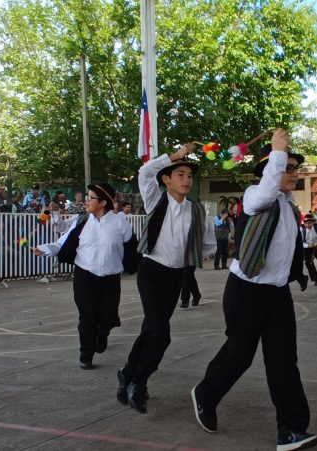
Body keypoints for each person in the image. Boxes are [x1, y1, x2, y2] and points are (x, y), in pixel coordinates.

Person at [191, 129, 317, 451]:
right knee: (240, 355)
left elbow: (287, 248)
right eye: (287, 167)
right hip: (246, 290)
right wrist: (277, 150)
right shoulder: (253, 195)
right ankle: (205, 394)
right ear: (269, 169)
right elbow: (265, 192)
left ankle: (291, 430)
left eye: (294, 168)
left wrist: (298, 274)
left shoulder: (289, 208)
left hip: (277, 294)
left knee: (283, 361)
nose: (293, 173)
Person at [119, 142, 210, 415]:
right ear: (167, 180)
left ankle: (127, 372)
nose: (186, 180)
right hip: (151, 271)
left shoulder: (196, 209)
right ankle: (139, 382)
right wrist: (177, 155)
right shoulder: (155, 199)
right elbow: (145, 172)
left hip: (175, 275)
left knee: (151, 329)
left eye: (190, 176)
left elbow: (204, 244)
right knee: (161, 332)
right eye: (180, 175)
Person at [33, 183, 134, 369]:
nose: (87, 201)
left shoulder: (120, 223)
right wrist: (43, 249)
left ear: (103, 202)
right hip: (84, 275)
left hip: (111, 277)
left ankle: (102, 333)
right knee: (86, 316)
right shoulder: (81, 222)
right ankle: (86, 354)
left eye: (91, 198)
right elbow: (61, 244)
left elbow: (132, 249)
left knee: (107, 317)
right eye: (87, 197)